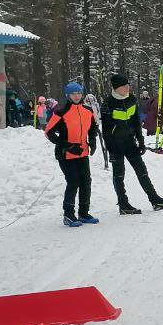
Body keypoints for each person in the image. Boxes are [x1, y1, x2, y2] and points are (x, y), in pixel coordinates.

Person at [102, 73, 163, 214]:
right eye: (124, 86)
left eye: (128, 85)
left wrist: (141, 141)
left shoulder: (131, 99)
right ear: (116, 88)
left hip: (130, 142)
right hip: (115, 144)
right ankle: (123, 205)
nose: (127, 88)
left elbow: (136, 122)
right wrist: (110, 149)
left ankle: (155, 200)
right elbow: (105, 130)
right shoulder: (108, 103)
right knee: (119, 175)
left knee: (142, 171)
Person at [44, 82, 99, 226]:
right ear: (67, 95)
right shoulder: (61, 112)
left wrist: (92, 141)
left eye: (79, 93)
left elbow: (93, 128)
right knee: (73, 181)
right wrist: (67, 146)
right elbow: (48, 132)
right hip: (65, 153)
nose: (77, 96)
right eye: (73, 93)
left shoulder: (88, 110)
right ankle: (68, 215)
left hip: (82, 152)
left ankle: (84, 213)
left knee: (86, 182)